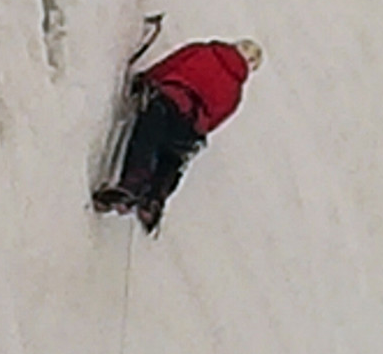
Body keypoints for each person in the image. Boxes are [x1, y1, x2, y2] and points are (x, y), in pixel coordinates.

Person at [93, 37, 263, 233]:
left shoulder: (202, 50)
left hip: (169, 102)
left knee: (146, 138)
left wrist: (146, 79)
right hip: (190, 127)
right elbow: (214, 121)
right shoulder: (235, 93)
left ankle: (131, 185)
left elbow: (171, 64)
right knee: (172, 157)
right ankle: (154, 199)